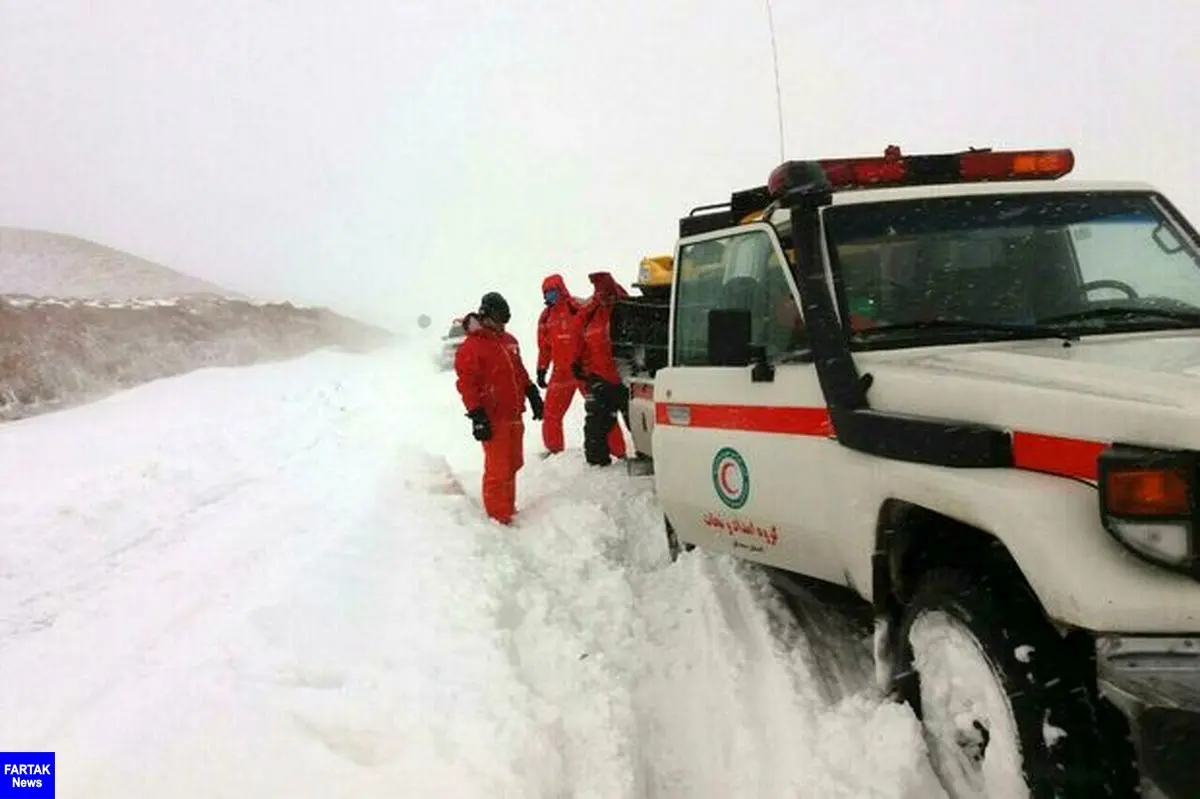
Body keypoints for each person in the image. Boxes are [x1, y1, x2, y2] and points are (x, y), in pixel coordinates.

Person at [453, 293, 544, 525]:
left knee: (513, 464)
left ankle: (508, 509)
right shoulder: (472, 347)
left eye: (506, 319)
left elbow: (519, 371)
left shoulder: (509, 340)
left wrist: (532, 393)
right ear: (486, 315)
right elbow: (466, 384)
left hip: (515, 415)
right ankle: (498, 518)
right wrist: (477, 415)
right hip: (494, 418)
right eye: (500, 318)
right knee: (498, 470)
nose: (503, 324)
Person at [569, 271, 630, 467]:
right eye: (600, 295)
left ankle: (651, 461)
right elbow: (577, 336)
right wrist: (576, 362)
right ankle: (597, 466)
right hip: (600, 378)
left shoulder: (627, 309)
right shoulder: (590, 314)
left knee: (638, 424)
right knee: (595, 426)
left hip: (628, 378)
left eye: (607, 295)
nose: (604, 299)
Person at [534, 273, 583, 456]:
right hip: (561, 372)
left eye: (552, 292)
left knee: (600, 411)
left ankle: (617, 450)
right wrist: (541, 369)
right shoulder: (546, 317)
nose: (549, 297)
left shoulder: (576, 307)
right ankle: (555, 452)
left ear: (561, 290)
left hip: (583, 369)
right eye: (546, 294)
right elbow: (544, 347)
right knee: (551, 414)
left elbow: (590, 336)